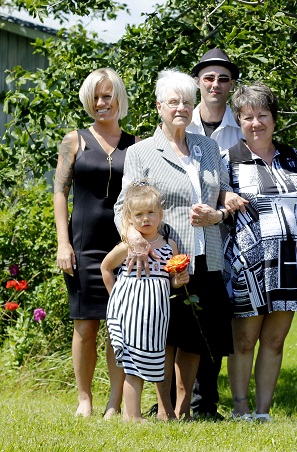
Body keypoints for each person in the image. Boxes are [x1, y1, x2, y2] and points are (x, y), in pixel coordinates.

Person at [114, 69, 243, 420]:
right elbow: (123, 206)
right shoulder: (141, 152)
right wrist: (134, 238)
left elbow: (222, 196)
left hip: (207, 256)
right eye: (173, 102)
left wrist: (217, 215)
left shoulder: (208, 147)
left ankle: (185, 410)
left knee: (196, 338)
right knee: (167, 336)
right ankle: (164, 410)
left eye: (187, 102)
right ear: (159, 107)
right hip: (165, 260)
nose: (181, 108)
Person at [223, 83, 297, 422]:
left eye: (263, 115)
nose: (256, 123)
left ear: (274, 119)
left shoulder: (294, 157)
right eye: (248, 117)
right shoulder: (228, 159)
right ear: (238, 120)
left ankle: (263, 411)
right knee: (245, 341)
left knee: (275, 340)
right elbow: (216, 201)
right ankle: (241, 408)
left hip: (290, 263)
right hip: (248, 265)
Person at [53, 68, 138, 418]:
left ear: (119, 98)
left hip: (122, 246)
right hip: (82, 244)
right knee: (85, 325)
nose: (102, 103)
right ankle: (84, 399)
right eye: (95, 97)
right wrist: (63, 243)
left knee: (118, 326)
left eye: (107, 96)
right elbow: (60, 192)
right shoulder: (73, 140)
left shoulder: (136, 144)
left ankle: (114, 403)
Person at [186, 47, 244, 420]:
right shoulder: (180, 120)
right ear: (198, 82)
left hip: (229, 237)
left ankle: (205, 400)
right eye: (208, 77)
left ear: (232, 85)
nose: (215, 85)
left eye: (223, 79)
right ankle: (171, 399)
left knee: (214, 320)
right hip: (183, 235)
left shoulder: (244, 127)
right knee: (180, 317)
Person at [101, 183, 189, 422]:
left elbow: (170, 280)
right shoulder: (128, 246)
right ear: (130, 219)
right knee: (133, 366)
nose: (146, 219)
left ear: (161, 214)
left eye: (151, 212)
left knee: (150, 364)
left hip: (155, 316)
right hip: (132, 313)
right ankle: (133, 416)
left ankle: (133, 415)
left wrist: (179, 281)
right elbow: (106, 267)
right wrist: (115, 298)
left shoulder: (169, 246)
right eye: (139, 215)